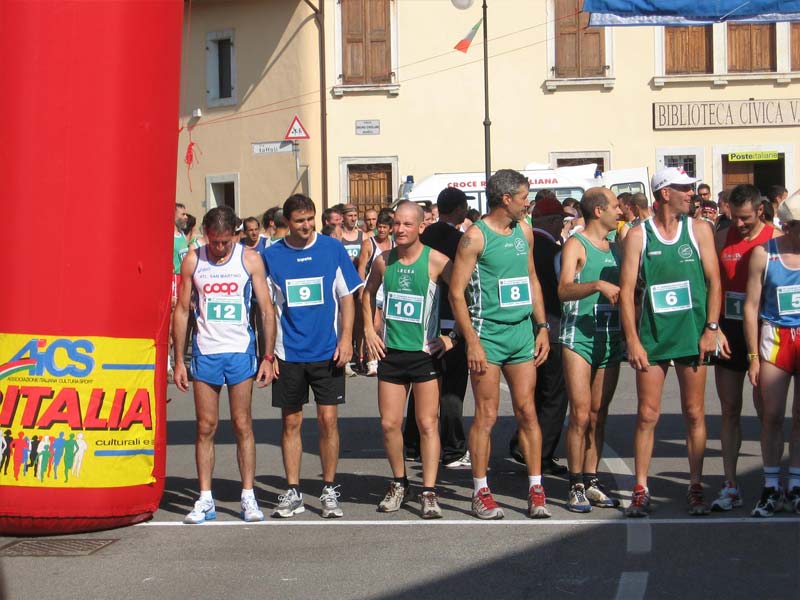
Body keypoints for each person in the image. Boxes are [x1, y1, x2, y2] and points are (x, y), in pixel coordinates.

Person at [620, 167, 729, 518]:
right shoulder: (639, 235)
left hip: (692, 335)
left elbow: (714, 281)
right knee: (647, 414)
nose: (691, 194)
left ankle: (695, 485)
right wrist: (632, 340)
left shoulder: (699, 229)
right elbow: (625, 293)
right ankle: (640, 487)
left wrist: (711, 327)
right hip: (653, 337)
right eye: (683, 189)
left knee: (694, 413)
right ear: (664, 193)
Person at [449, 168, 552, 520]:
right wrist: (472, 342)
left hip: (522, 332)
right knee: (487, 415)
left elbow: (533, 279)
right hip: (488, 334)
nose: (529, 203)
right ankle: (480, 491)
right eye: (525, 197)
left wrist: (541, 327)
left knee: (527, 411)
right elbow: (455, 293)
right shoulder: (474, 238)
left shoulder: (524, 231)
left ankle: (536, 487)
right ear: (506, 198)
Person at [173, 205, 277, 524]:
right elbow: (181, 311)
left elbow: (266, 310)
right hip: (205, 351)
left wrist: (268, 356)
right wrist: (178, 359)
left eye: (225, 242)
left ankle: (248, 495)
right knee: (205, 426)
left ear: (235, 234)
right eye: (214, 241)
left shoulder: (249, 258)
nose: (219, 248)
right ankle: (205, 498)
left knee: (242, 423)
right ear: (206, 234)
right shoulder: (193, 259)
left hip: (239, 351)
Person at [262, 194, 363, 519]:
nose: (305, 226)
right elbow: (265, 310)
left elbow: (347, 298)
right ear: (285, 223)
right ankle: (292, 491)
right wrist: (267, 353)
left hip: (327, 351)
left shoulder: (331, 249)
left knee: (328, 421)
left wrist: (346, 339)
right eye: (298, 221)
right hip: (287, 353)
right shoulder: (271, 255)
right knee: (291, 422)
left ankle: (329, 489)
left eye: (310, 219)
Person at [363, 201, 453, 518]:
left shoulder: (438, 262)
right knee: (389, 424)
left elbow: (466, 298)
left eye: (407, 224)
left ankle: (429, 491)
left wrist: (450, 336)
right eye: (396, 223)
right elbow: (367, 294)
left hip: (424, 355)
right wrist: (368, 331)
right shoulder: (383, 261)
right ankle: (399, 482)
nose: (400, 229)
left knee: (427, 423)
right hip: (391, 354)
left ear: (420, 227)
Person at [713, 184, 780, 511]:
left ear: (760, 212)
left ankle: (772, 482)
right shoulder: (721, 236)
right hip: (729, 331)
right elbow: (711, 284)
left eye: (745, 219)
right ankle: (730, 484)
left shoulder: (776, 238)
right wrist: (712, 328)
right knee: (729, 410)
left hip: (764, 331)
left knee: (768, 412)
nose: (738, 224)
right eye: (734, 217)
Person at [559, 188, 624, 512]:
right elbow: (563, 289)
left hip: (610, 336)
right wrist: (597, 285)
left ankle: (592, 479)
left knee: (599, 414)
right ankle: (575, 484)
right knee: (581, 414)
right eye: (614, 206)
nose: (619, 210)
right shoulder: (576, 243)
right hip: (578, 338)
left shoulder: (618, 247)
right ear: (598, 211)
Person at [403, 188, 471, 470]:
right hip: (452, 321)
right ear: (458, 209)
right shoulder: (462, 241)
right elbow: (465, 285)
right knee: (452, 390)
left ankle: (411, 444)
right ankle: (454, 450)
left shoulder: (422, 237)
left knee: (422, 385)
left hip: (421, 321)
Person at [744, 192, 800, 517]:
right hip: (776, 337)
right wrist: (753, 356)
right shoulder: (764, 254)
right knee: (772, 416)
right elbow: (751, 307)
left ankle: (794, 485)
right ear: (790, 226)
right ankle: (769, 486)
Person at [509, 192, 569, 476]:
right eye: (561, 221)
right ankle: (539, 453)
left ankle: (521, 441)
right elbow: (565, 290)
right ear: (554, 221)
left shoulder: (521, 245)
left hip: (523, 328)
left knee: (531, 394)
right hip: (552, 328)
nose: (562, 226)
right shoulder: (556, 251)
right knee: (554, 395)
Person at [357, 211, 396, 376]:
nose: (380, 230)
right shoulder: (368, 243)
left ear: (390, 229)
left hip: (388, 291)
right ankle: (371, 361)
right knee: (375, 325)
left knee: (384, 328)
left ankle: (381, 357)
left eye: (384, 227)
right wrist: (361, 289)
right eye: (379, 227)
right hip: (371, 290)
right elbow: (361, 268)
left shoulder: (394, 245)